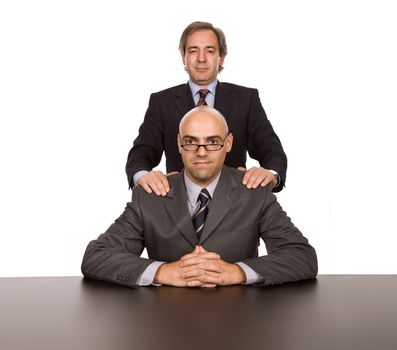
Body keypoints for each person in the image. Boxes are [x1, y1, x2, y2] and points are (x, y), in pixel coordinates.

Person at [82, 106, 317, 288]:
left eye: (213, 142)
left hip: (241, 322)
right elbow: (96, 257)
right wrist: (163, 272)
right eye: (191, 141)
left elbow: (302, 257)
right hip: (163, 322)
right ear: (179, 144)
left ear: (228, 143)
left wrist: (237, 272)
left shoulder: (254, 193)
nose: (201, 151)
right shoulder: (150, 195)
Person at [126, 21, 287, 196]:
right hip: (178, 204)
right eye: (193, 51)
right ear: (184, 58)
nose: (201, 59)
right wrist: (143, 176)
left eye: (210, 51)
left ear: (221, 57)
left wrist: (270, 174)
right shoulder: (161, 102)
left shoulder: (246, 99)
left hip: (235, 204)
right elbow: (142, 152)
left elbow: (271, 149)